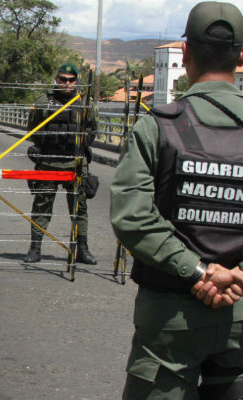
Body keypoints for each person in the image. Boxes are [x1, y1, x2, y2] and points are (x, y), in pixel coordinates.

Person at [110, 2, 243, 398]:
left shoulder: (159, 126)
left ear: (184, 56)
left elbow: (133, 217)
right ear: (241, 56)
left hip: (171, 318)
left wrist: (198, 270)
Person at [24, 62, 97, 265]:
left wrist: (82, 145)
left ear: (76, 81)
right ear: (56, 79)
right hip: (48, 163)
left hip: (76, 164)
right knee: (41, 207)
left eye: (71, 80)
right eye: (63, 79)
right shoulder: (42, 102)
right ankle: (35, 248)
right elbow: (32, 129)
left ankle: (82, 249)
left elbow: (93, 130)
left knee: (79, 209)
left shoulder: (86, 103)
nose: (66, 83)